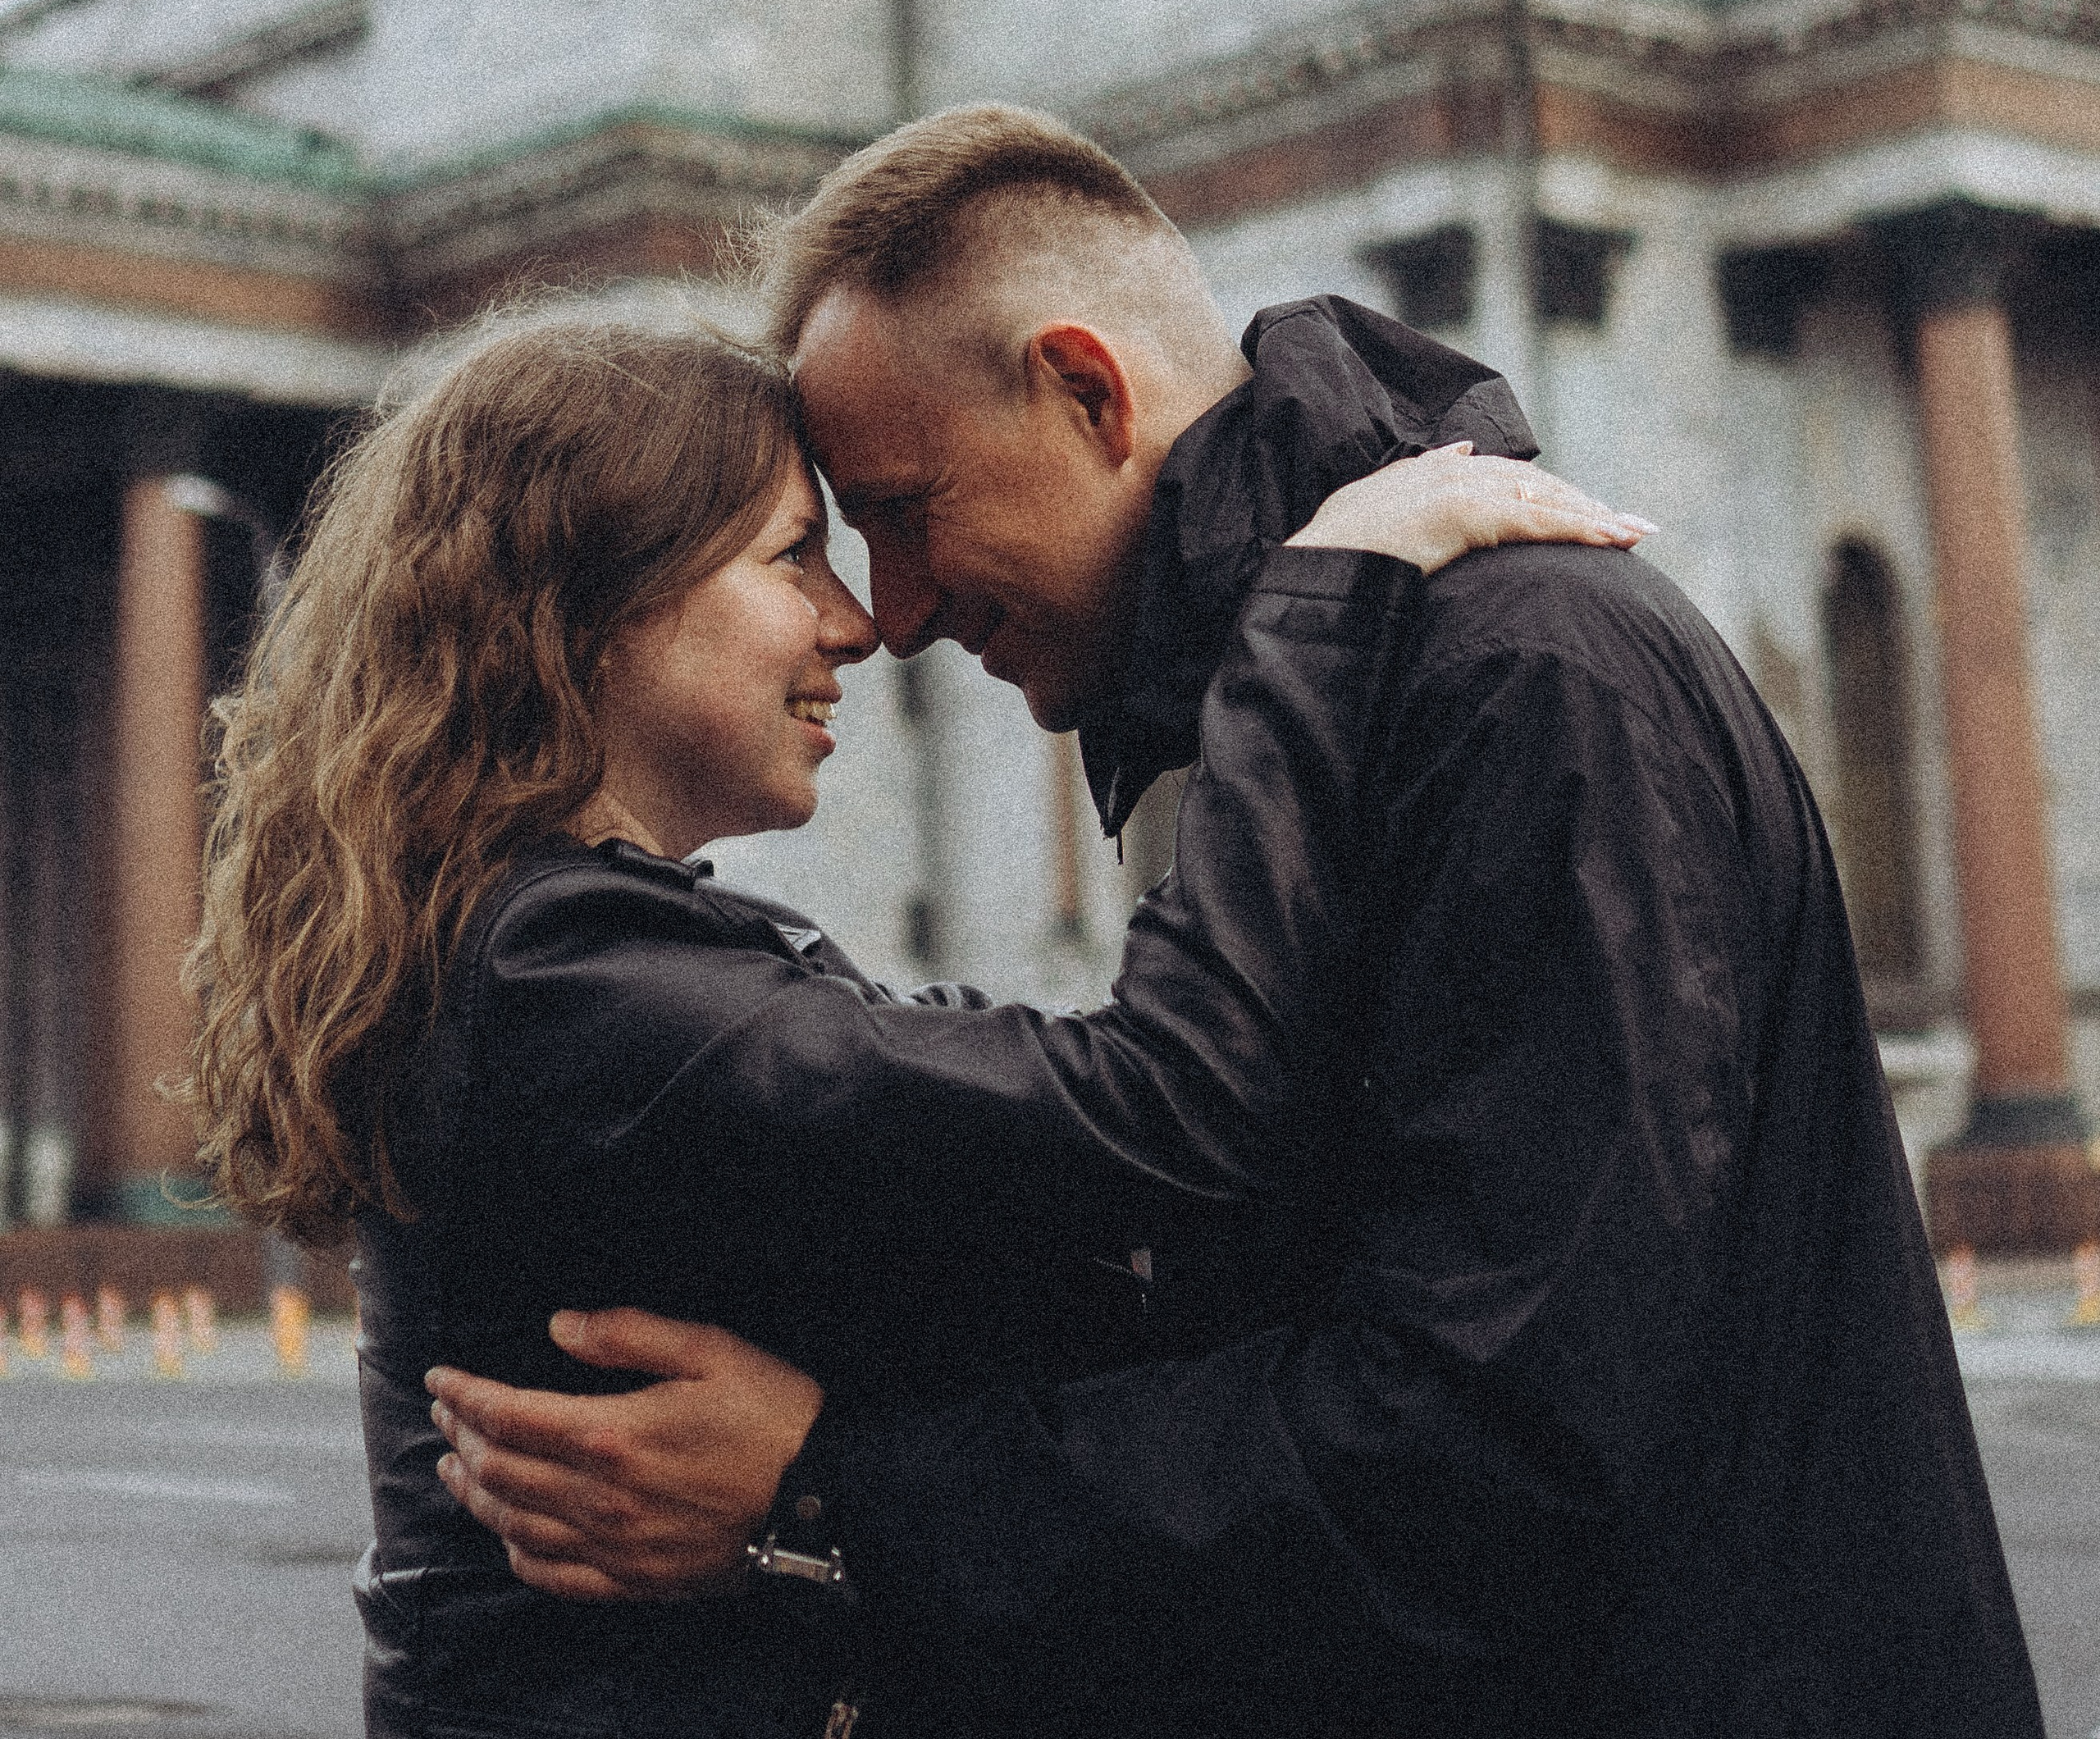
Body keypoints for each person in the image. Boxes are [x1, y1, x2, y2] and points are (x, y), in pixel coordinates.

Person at [430, 107, 2043, 1739]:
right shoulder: (1235, 716)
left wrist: (842, 1494)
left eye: (904, 511)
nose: (892, 616)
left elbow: (1504, 1443)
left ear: (1085, 388)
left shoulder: (1516, 681)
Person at [187, 308, 1636, 1739]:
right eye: (791, 554)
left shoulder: (570, 959)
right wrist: (1319, 612)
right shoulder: (557, 978)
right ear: (596, 605)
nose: (857, 623)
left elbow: (987, 1115)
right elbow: (1163, 1102)